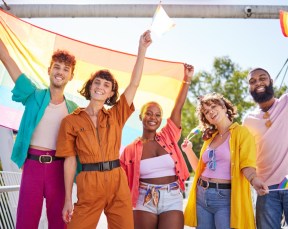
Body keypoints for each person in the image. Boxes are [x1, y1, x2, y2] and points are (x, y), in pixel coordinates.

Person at [55, 30, 152, 229]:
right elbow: (70, 160)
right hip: (89, 183)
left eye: (106, 85)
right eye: (97, 82)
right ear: (90, 87)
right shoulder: (70, 122)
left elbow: (134, 84)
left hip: (117, 180)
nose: (100, 87)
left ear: (111, 93)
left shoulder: (117, 115)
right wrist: (67, 199)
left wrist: (141, 49)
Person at [0, 39, 77, 229]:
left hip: (59, 171)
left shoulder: (74, 110)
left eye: (66, 69)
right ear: (49, 70)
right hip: (32, 167)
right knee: (25, 223)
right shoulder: (33, 95)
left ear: (71, 76)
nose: (60, 72)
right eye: (57, 67)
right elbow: (6, 58)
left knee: (59, 224)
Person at [120, 63, 193, 229]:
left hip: (172, 196)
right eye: (149, 113)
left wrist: (186, 80)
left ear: (161, 119)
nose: (153, 117)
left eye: (158, 115)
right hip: (144, 198)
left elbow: (178, 107)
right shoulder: (130, 150)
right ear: (141, 116)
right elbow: (122, 182)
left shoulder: (168, 136)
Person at [182, 92, 268, 229]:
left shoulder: (242, 133)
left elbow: (247, 164)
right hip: (201, 194)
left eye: (213, 107)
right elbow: (199, 169)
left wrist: (254, 179)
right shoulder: (210, 138)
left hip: (225, 198)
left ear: (223, 107)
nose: (210, 112)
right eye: (206, 112)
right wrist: (188, 151)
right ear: (206, 119)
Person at [243, 67, 288, 229]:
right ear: (250, 88)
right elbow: (244, 157)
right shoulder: (248, 120)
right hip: (266, 190)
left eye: (262, 78)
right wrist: (253, 180)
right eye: (252, 81)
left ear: (271, 82)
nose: (258, 83)